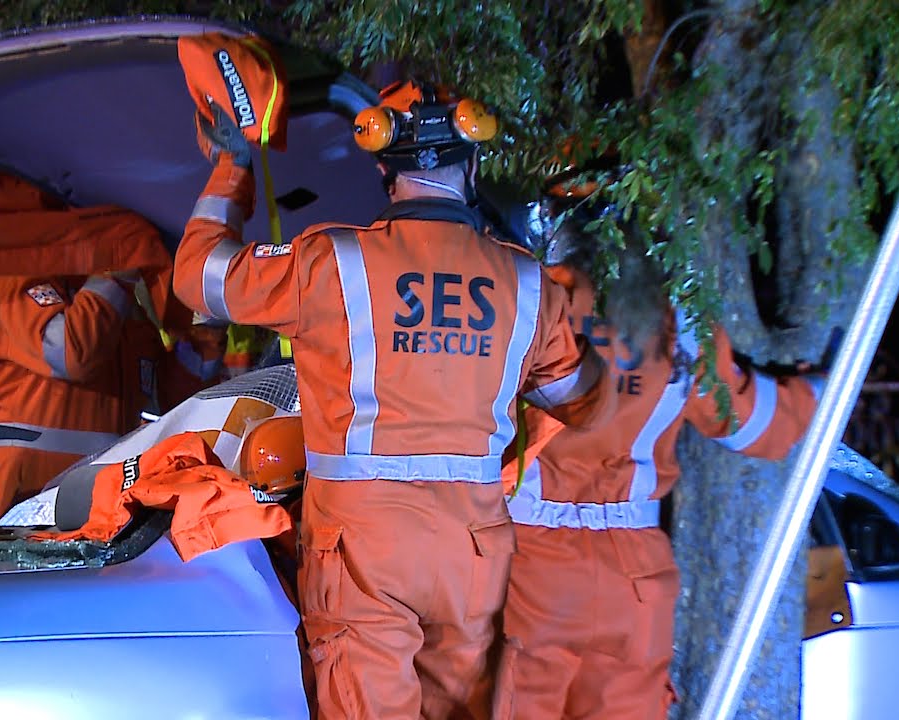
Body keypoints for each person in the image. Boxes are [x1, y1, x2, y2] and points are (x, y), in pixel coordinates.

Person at [172, 79, 615, 719]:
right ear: (473, 161)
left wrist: (232, 162)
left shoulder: (330, 262)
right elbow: (578, 400)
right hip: (472, 552)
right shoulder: (527, 280)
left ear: (384, 164)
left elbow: (200, 277)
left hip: (363, 550)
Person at [501, 178, 827, 720]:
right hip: (635, 578)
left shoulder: (530, 300)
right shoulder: (678, 318)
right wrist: (819, 391)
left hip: (531, 570)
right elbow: (749, 424)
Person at [0, 273, 169, 517]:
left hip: (107, 489)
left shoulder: (113, 299)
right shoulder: (15, 276)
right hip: (30, 488)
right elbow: (68, 352)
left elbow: (167, 400)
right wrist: (114, 276)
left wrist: (205, 335)